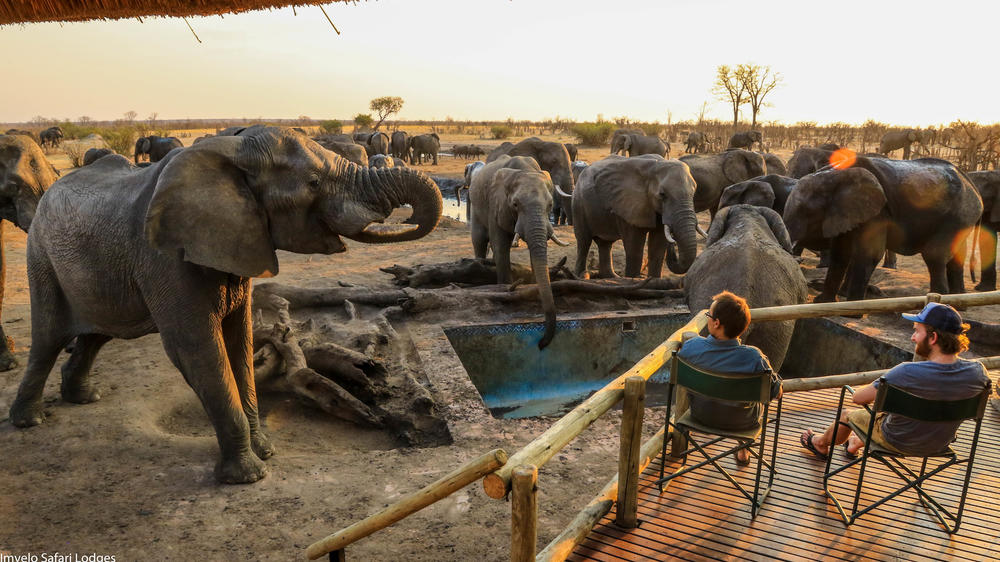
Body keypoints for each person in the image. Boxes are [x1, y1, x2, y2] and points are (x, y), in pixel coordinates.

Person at [801, 302, 991, 459]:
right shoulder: (978, 373)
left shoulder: (906, 372)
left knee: (849, 414)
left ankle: (819, 443)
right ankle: (853, 445)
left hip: (896, 440)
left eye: (917, 331)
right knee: (884, 418)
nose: (912, 337)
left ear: (932, 337)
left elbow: (859, 399)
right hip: (939, 444)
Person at [677, 291, 781, 465]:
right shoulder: (754, 358)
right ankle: (743, 449)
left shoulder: (691, 347)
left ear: (716, 323)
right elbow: (776, 394)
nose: (708, 318)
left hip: (700, 416)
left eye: (709, 315)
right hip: (743, 423)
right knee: (750, 402)